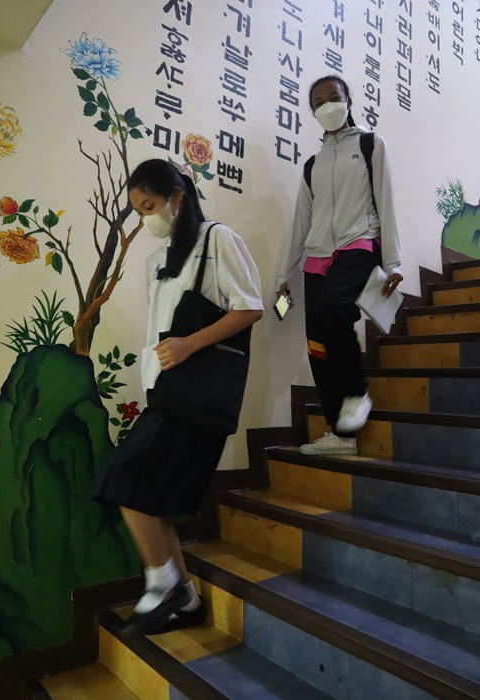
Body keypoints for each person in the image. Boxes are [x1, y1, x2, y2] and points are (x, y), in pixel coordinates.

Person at [92, 158, 263, 634]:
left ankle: (162, 584)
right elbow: (158, 330)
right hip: (165, 390)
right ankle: (185, 598)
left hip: (196, 393)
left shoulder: (217, 240)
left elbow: (250, 308)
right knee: (150, 497)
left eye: (149, 206)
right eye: (138, 211)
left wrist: (190, 344)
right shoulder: (156, 260)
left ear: (176, 197)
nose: (145, 218)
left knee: (125, 480)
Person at [276, 75, 402, 456]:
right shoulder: (312, 165)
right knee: (317, 344)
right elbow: (301, 221)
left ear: (349, 101)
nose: (327, 105)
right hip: (317, 255)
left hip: (358, 242)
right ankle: (341, 435)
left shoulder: (370, 144)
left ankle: (357, 393)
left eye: (334, 97)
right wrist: (283, 274)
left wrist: (393, 261)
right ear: (313, 111)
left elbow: (386, 200)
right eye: (319, 102)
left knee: (332, 307)